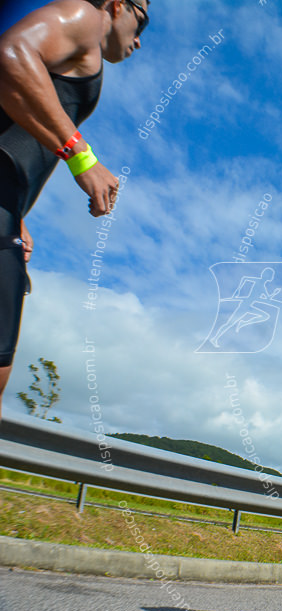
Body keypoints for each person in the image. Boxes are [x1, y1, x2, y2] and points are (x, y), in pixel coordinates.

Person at [0, 0, 149, 419]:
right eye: (143, 20)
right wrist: (81, 157)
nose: (139, 41)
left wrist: (18, 212)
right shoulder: (87, 16)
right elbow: (11, 55)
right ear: (118, 5)